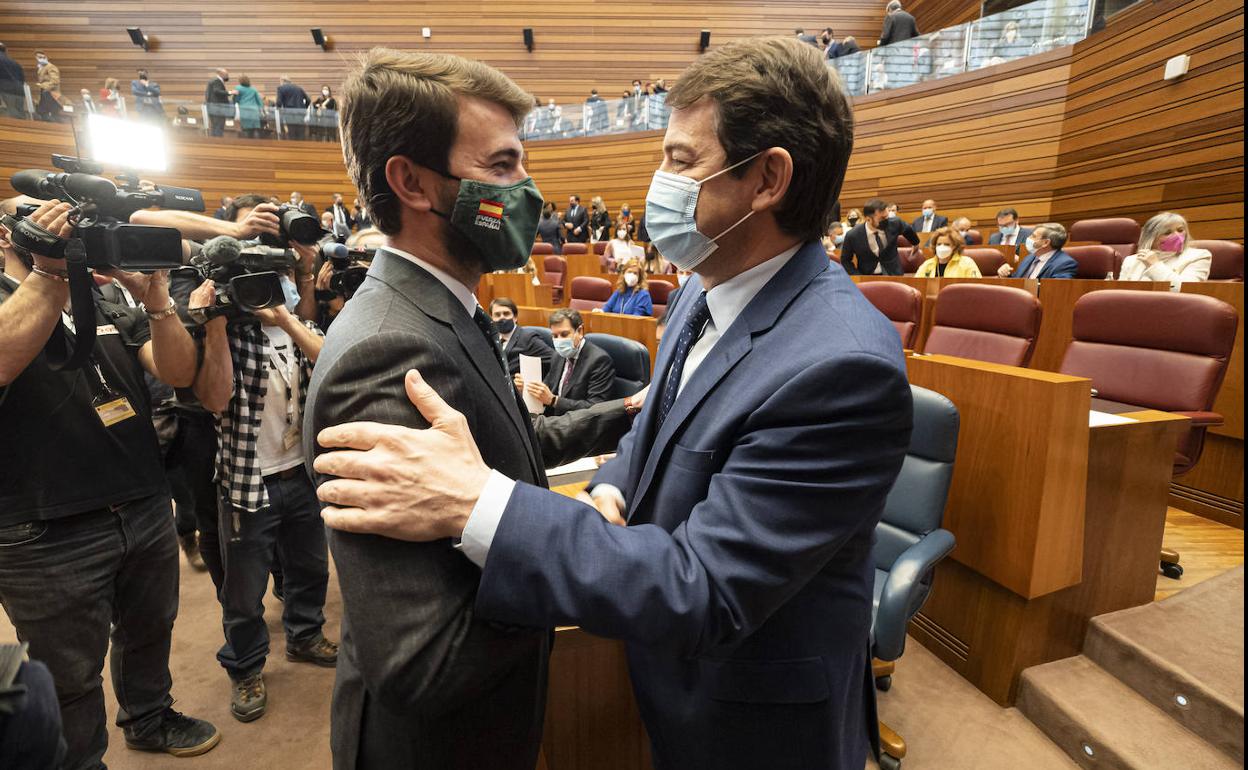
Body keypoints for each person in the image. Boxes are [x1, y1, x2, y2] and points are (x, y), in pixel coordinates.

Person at [312, 36, 911, 770]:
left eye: (681, 160)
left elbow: (709, 588)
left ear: (767, 179)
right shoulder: (702, 288)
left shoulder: (842, 364)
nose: (656, 180)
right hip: (657, 693)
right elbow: (657, 428)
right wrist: (607, 490)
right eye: (504, 165)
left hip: (755, 727)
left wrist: (484, 506)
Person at [303, 47, 560, 770]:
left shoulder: (442, 310)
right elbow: (422, 662)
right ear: (411, 182)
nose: (527, 191)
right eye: (502, 167)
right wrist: (565, 557)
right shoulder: (387, 353)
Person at [0, 200, 220, 766]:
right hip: (45, 528)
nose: (68, 229)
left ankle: (149, 717)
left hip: (142, 498)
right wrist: (49, 272)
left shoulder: (95, 295)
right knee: (69, 673)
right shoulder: (17, 297)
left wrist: (159, 306)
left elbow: (174, 372)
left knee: (150, 628)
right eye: (45, 218)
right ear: (8, 234)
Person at [189, 192, 338, 724]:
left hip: (302, 472)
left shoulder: (297, 331)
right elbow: (212, 399)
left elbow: (331, 364)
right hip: (248, 480)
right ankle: (246, 668)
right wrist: (215, 326)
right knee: (244, 590)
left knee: (309, 567)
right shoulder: (235, 333)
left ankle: (304, 635)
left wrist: (289, 308)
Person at [522, 307, 614, 415]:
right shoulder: (558, 355)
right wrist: (527, 388)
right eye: (555, 336)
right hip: (555, 420)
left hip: (579, 423)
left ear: (579, 331)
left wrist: (554, 401)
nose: (559, 340)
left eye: (564, 334)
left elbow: (595, 407)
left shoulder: (599, 360)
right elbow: (547, 389)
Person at [1117, 212, 1211, 283]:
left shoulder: (1198, 256)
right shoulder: (1131, 260)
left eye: (1180, 230)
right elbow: (1121, 292)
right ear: (1151, 238)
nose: (1177, 236)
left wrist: (1155, 265)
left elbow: (1183, 290)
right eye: (1167, 233)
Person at [840, 197, 921, 275]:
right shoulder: (852, 235)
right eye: (882, 218)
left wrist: (915, 243)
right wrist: (858, 276)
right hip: (867, 276)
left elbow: (908, 230)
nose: (886, 221)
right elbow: (845, 261)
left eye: (887, 217)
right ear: (868, 219)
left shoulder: (895, 223)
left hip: (893, 274)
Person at [490, 296, 554, 376]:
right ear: (491, 318)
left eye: (506, 314)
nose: (502, 317)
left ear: (515, 317)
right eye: (497, 315)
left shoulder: (527, 338)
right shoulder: (490, 338)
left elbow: (555, 359)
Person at [996, 222, 1078, 278]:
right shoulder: (1029, 258)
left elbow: (1055, 291)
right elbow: (1017, 281)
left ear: (1046, 242)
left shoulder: (1065, 264)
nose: (1028, 238)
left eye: (1033, 236)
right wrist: (1005, 274)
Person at [915, 227, 982, 277]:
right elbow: (916, 285)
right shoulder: (927, 264)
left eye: (947, 244)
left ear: (955, 246)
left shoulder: (967, 263)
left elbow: (976, 287)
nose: (942, 247)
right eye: (939, 244)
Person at [275, 75, 310, 140]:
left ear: (282, 81)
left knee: (292, 133)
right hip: (300, 113)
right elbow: (308, 100)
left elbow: (279, 103)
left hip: (289, 114)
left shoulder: (281, 88)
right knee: (301, 134)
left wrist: (278, 109)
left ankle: (293, 149)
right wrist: (304, 107)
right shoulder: (299, 88)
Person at [34, 51, 63, 122]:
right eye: (39, 57)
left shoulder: (51, 66)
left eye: (43, 57)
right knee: (43, 113)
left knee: (54, 117)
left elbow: (55, 81)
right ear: (36, 58)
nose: (42, 59)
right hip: (44, 94)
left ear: (46, 57)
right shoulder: (41, 67)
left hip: (51, 94)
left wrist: (42, 85)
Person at [0, 43, 25, 119]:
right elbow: (22, 79)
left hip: (5, 90)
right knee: (19, 115)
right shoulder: (15, 63)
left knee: (9, 115)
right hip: (19, 90)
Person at [204, 67, 231, 137]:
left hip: (213, 107)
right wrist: (230, 92)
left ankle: (214, 142)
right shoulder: (217, 81)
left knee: (215, 126)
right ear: (221, 74)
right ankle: (219, 142)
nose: (227, 76)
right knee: (219, 126)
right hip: (218, 108)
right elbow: (217, 91)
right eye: (226, 74)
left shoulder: (212, 81)